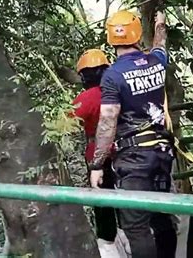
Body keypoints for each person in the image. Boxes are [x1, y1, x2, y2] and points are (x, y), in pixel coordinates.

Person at [88, 10, 177, 258]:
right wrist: (160, 25)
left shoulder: (113, 76)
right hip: (162, 153)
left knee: (136, 226)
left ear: (110, 39)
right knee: (161, 218)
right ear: (137, 34)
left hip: (134, 158)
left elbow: (107, 123)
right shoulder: (156, 61)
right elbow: (160, 46)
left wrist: (98, 164)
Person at [71, 49, 119, 257]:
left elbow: (69, 123)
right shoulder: (118, 90)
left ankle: (108, 245)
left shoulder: (84, 99)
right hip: (127, 152)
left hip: (99, 158)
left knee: (104, 206)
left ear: (84, 75)